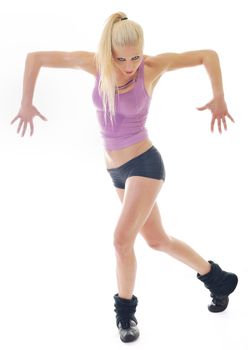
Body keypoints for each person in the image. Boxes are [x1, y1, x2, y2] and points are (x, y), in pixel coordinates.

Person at [10, 11, 238, 344]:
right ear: (110, 52)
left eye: (135, 55)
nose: (130, 64)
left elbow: (208, 55)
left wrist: (219, 95)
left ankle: (125, 315)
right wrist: (26, 101)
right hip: (115, 171)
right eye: (122, 58)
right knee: (158, 240)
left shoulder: (152, 67)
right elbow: (36, 58)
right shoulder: (96, 65)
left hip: (145, 165)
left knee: (120, 241)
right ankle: (217, 279)